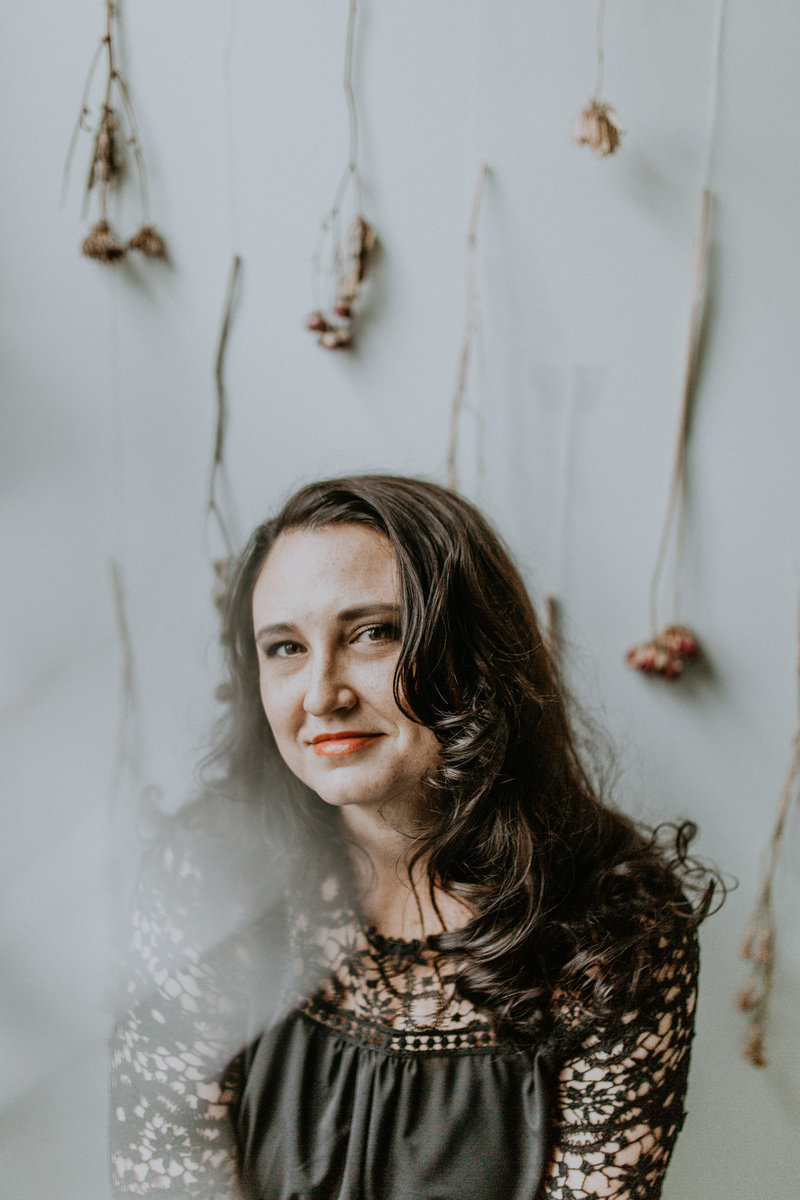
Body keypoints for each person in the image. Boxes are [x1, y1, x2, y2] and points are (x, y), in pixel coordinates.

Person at [110, 474, 717, 1200]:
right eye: (284, 647)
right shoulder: (207, 875)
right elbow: (164, 1175)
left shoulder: (615, 925)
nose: (320, 694)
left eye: (372, 632)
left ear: (474, 652)